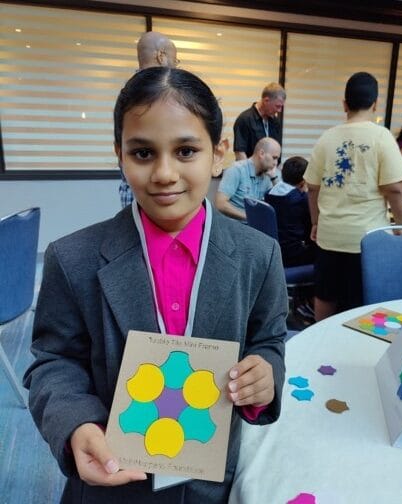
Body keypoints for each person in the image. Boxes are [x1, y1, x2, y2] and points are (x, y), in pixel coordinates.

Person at [24, 67, 287, 503]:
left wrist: (265, 375)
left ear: (219, 152)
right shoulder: (73, 259)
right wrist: (76, 423)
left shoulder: (260, 256)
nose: (164, 173)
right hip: (113, 478)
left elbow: (269, 339)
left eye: (186, 151)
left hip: (211, 480)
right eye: (143, 153)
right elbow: (54, 361)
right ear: (119, 154)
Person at [305, 72, 402, 321]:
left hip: (330, 235)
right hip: (368, 239)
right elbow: (395, 188)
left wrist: (316, 222)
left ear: (344, 104)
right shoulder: (381, 137)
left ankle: (321, 345)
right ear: (375, 104)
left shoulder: (327, 138)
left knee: (325, 295)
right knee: (363, 303)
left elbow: (312, 187)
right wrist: (401, 229)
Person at [119, 32, 179, 208]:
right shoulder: (161, 93)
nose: (175, 66)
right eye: (175, 60)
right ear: (161, 56)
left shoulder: (127, 92)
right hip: (150, 197)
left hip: (131, 191)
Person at [265, 156, 315, 267]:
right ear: (304, 181)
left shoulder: (269, 193)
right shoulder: (301, 199)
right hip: (294, 255)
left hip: (274, 252)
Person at [215, 137, 281, 221]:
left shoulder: (268, 175)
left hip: (255, 227)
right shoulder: (236, 170)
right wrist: (250, 217)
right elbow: (220, 204)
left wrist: (274, 179)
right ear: (261, 153)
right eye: (274, 158)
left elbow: (280, 206)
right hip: (235, 226)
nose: (276, 163)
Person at [233, 83, 286, 160]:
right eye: (277, 106)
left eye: (281, 107)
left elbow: (277, 151)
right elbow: (240, 153)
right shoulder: (244, 119)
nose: (279, 110)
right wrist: (249, 172)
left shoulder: (275, 122)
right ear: (266, 100)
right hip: (251, 170)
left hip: (270, 171)